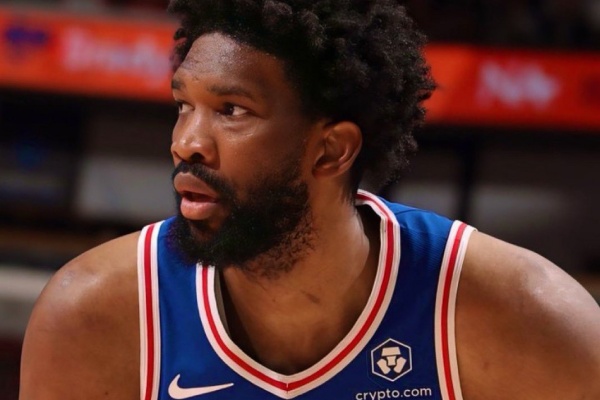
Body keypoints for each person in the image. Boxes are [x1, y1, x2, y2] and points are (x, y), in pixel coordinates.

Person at [20, 1, 600, 399]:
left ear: (331, 151)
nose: (186, 143)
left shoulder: (526, 316)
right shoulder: (93, 313)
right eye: (183, 105)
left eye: (231, 110)